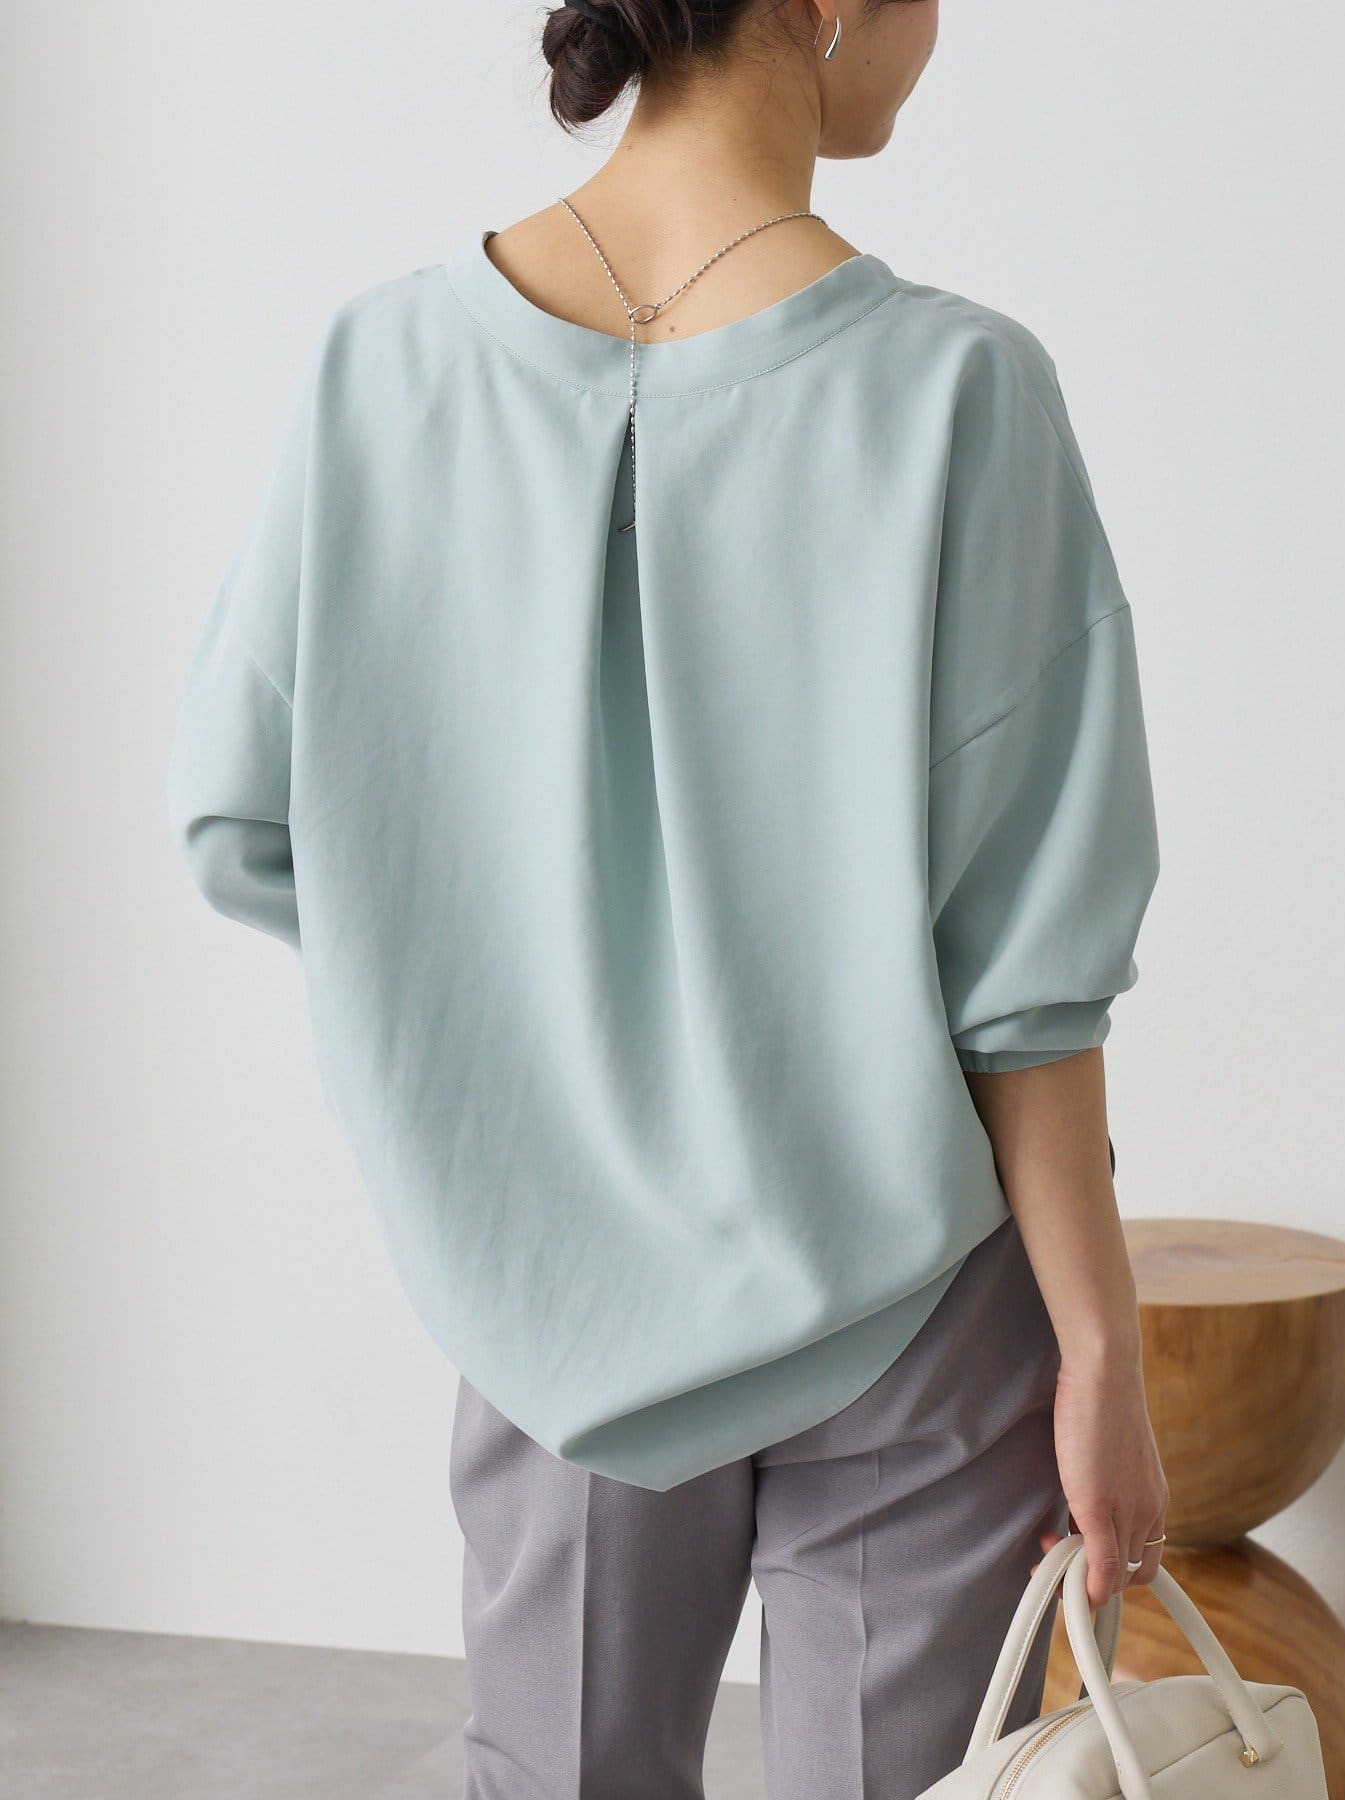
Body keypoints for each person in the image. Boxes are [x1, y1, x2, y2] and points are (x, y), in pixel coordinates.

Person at [167, 2, 1169, 1794]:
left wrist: (504, 1026)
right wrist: (1102, 1353)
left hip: (549, 1300)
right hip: (910, 1298)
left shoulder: (378, 369)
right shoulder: (962, 391)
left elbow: (246, 815)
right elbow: (1029, 979)